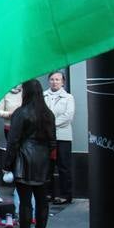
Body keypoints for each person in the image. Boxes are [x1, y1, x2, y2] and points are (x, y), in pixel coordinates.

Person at [4, 79, 56, 228]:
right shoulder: (48, 114)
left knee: (25, 201)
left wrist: (7, 163)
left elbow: (13, 141)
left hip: (24, 160)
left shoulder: (21, 113)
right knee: (42, 200)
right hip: (43, 161)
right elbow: (53, 142)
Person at [44, 71, 75, 205]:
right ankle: (48, 193)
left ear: (63, 82)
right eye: (52, 79)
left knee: (63, 167)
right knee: (47, 167)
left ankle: (65, 195)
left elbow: (68, 116)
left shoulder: (68, 97)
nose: (54, 82)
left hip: (62, 136)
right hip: (45, 136)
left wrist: (51, 124)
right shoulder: (43, 96)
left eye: (57, 79)